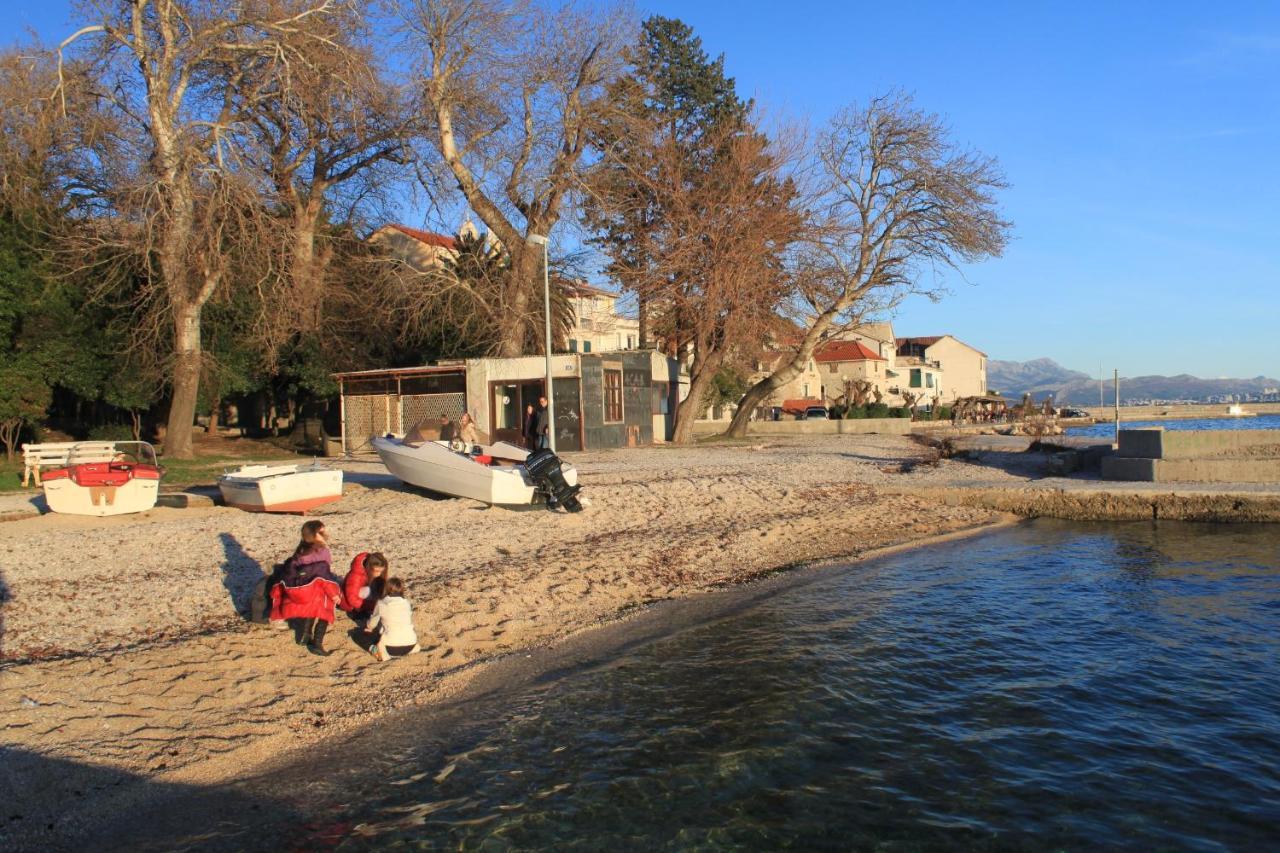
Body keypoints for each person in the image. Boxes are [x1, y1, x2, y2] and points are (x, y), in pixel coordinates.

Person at [269, 520, 343, 656]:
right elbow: (323, 575)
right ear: (314, 535)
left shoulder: (300, 551)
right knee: (324, 612)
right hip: (317, 588)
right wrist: (333, 594)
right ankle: (317, 643)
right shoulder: (322, 552)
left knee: (311, 609)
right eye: (321, 532)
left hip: (303, 589)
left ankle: (304, 635)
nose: (325, 534)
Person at [365, 577, 420, 662]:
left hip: (390, 647)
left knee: (361, 636)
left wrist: (369, 627)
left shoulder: (381, 602)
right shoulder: (406, 603)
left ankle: (381, 652)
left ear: (386, 589)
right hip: (411, 644)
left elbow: (372, 624)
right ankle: (412, 649)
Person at [341, 551, 389, 627]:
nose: (378, 574)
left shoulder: (374, 574)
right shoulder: (356, 575)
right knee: (368, 590)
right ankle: (358, 612)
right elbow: (352, 599)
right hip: (351, 603)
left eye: (381, 571)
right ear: (368, 567)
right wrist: (374, 606)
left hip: (366, 599)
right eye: (376, 571)